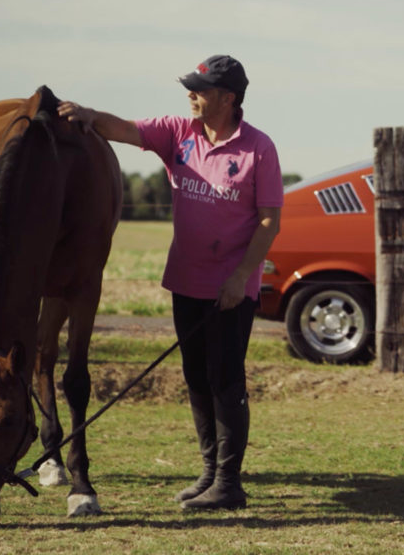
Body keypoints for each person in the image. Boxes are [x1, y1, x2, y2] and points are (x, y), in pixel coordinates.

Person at [58, 54, 283, 510]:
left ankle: (229, 484)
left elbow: (268, 222)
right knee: (197, 379)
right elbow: (123, 129)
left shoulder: (259, 147)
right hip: (186, 282)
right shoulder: (178, 132)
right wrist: (86, 114)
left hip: (230, 291)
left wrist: (241, 277)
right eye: (191, 87)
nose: (191, 95)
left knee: (226, 380)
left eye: (200, 89)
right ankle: (208, 474)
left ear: (228, 97)